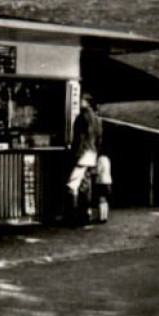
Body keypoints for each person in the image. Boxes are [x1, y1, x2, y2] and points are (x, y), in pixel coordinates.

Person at [65, 93, 103, 224]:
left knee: (72, 185)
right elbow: (99, 140)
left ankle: (73, 215)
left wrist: (74, 154)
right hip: (92, 154)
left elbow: (78, 139)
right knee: (85, 185)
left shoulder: (81, 118)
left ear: (86, 102)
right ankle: (85, 214)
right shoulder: (97, 120)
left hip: (82, 154)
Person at [92, 152, 112, 224]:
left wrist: (91, 171)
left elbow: (98, 171)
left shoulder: (100, 159)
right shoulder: (107, 159)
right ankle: (105, 217)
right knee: (105, 200)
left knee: (101, 199)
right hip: (108, 180)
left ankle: (101, 217)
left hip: (101, 181)